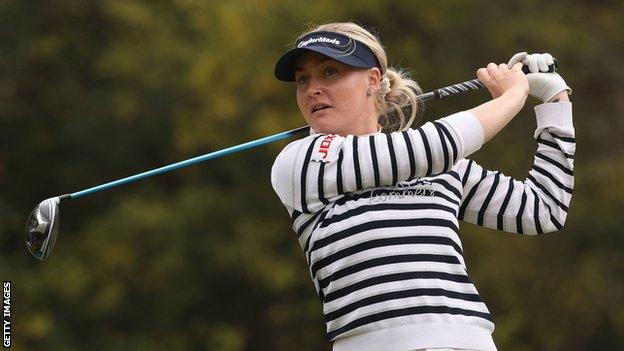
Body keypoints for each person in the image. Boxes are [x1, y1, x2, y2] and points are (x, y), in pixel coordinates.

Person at [270, 22, 574, 351]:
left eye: (329, 72)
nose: (312, 88)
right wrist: (514, 96)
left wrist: (555, 102)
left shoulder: (439, 165)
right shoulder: (300, 162)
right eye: (303, 79)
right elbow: (432, 146)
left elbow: (543, 209)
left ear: (372, 80)